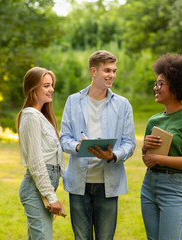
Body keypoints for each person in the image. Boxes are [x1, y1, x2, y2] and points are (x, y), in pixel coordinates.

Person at [60, 50, 136, 239]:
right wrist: (78, 147)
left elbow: (129, 143)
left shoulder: (123, 104)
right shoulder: (73, 101)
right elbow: (64, 138)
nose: (112, 75)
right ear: (93, 71)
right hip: (79, 183)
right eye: (107, 71)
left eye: (114, 71)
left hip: (108, 184)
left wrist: (113, 156)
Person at [141, 53, 182, 240]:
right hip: (149, 186)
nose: (155, 87)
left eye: (160, 84)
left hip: (176, 189)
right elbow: (147, 161)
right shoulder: (154, 120)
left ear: (176, 86)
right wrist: (145, 149)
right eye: (156, 83)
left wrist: (159, 158)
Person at [17, 67, 65, 240]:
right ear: (32, 89)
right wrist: (51, 196)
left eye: (51, 85)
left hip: (44, 185)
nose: (51, 89)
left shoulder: (41, 116)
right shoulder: (30, 116)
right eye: (46, 85)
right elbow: (36, 161)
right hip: (36, 188)